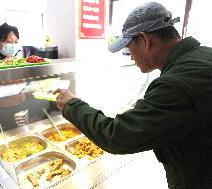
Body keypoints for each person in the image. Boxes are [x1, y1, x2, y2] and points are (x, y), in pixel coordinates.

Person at [54, 2, 212, 189]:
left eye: (129, 49)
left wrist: (72, 105)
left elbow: (116, 136)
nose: (130, 57)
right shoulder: (204, 55)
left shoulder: (174, 84)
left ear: (145, 40)